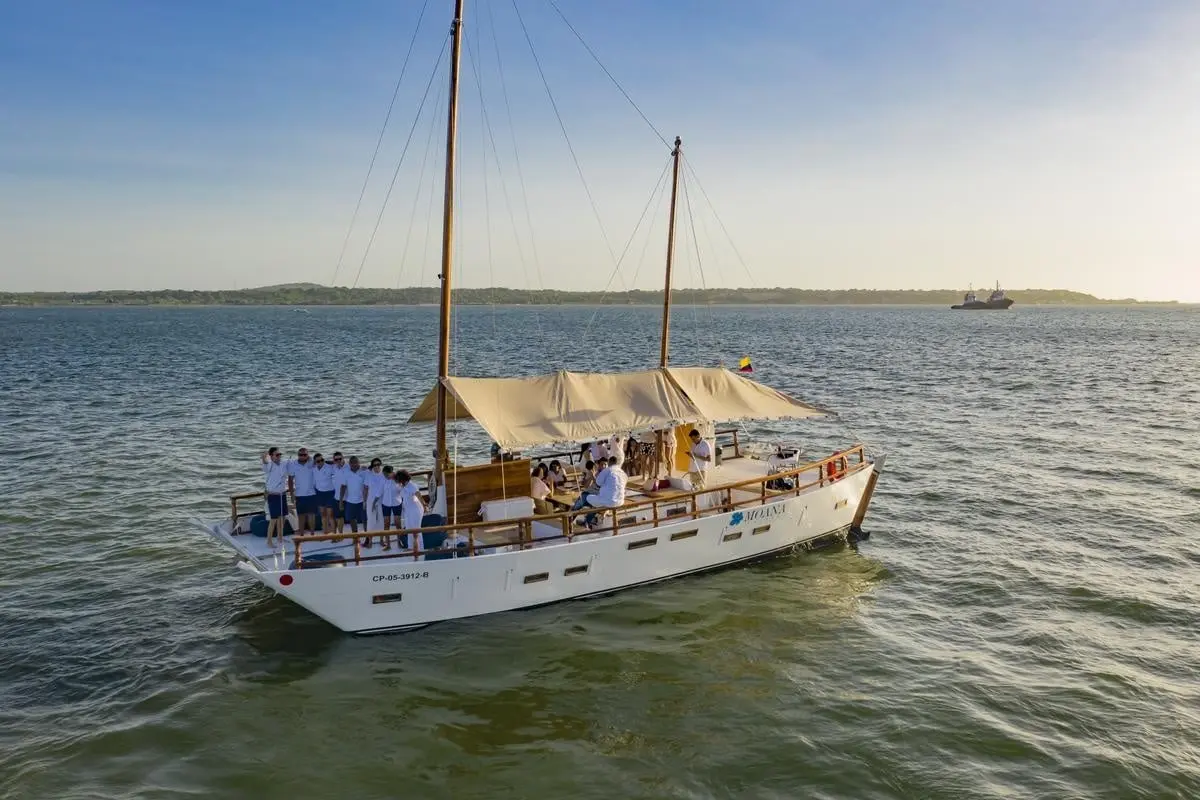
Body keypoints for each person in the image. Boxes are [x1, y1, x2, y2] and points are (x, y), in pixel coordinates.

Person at [581, 455, 627, 528]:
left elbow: (598, 483)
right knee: (598, 501)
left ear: (609, 463)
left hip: (608, 501)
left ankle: (587, 521)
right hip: (620, 501)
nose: (604, 466)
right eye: (602, 464)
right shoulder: (622, 472)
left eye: (605, 464)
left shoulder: (607, 470)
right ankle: (592, 519)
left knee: (588, 498)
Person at [261, 447, 288, 548]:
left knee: (283, 517)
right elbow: (264, 462)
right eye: (277, 455)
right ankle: (269, 541)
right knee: (274, 520)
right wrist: (264, 457)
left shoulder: (283, 464)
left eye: (280, 454)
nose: (279, 456)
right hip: (273, 495)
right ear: (271, 456)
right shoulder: (269, 465)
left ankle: (280, 537)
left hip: (283, 494)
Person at [286, 447, 317, 535]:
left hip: (312, 493)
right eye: (300, 455)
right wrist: (291, 494)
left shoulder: (312, 462)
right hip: (299, 494)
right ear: (298, 455)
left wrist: (310, 458)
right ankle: (302, 534)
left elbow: (321, 462)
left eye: (305, 455)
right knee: (301, 515)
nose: (303, 456)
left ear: (308, 455)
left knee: (312, 515)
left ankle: (312, 533)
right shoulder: (293, 464)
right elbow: (290, 480)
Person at [396, 470, 426, 553]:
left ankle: (420, 548)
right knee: (409, 528)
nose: (398, 481)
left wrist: (424, 505)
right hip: (408, 510)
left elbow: (418, 495)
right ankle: (410, 547)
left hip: (416, 510)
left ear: (402, 479)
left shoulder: (412, 485)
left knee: (416, 529)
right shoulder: (403, 486)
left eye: (398, 479)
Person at [339, 456, 368, 540]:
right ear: (349, 464)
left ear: (359, 462)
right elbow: (343, 487)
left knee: (365, 520)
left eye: (356, 462)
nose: (354, 464)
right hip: (350, 501)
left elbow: (367, 486)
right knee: (352, 519)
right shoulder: (346, 473)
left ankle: (367, 537)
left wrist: (366, 501)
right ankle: (356, 537)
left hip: (363, 500)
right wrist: (341, 501)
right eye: (352, 462)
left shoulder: (364, 472)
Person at [312, 453, 337, 537]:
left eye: (322, 460)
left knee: (330, 515)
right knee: (323, 514)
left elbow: (339, 467)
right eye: (318, 461)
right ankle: (325, 532)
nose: (321, 462)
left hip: (330, 493)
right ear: (315, 462)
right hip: (319, 493)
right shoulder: (313, 469)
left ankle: (334, 535)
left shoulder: (330, 467)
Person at [364, 457, 387, 544]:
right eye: (374, 465)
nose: (376, 466)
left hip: (382, 501)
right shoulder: (368, 474)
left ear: (380, 465)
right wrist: (364, 501)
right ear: (372, 466)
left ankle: (382, 540)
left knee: (381, 521)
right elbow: (365, 488)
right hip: (370, 500)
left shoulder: (384, 474)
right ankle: (370, 541)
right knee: (370, 521)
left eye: (378, 464)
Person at [379, 466, 399, 550]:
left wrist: (395, 478)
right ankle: (388, 545)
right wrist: (372, 503)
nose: (384, 476)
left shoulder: (398, 479)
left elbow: (403, 487)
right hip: (386, 504)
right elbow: (379, 492)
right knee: (386, 524)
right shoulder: (383, 480)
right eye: (383, 474)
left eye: (386, 474)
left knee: (398, 524)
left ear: (391, 473)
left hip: (397, 503)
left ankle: (400, 542)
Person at [329, 452, 347, 536]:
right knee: (335, 516)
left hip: (344, 497)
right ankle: (336, 534)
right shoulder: (334, 467)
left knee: (340, 517)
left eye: (340, 459)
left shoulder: (348, 467)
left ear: (343, 458)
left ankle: (340, 535)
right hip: (335, 496)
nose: (338, 461)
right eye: (336, 459)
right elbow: (326, 463)